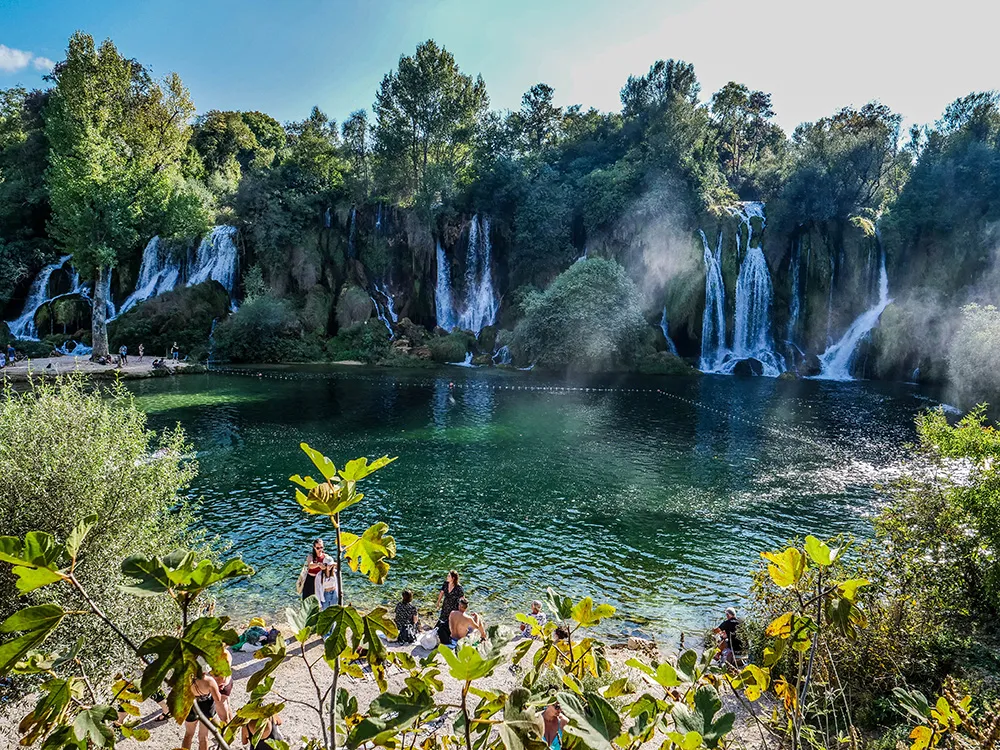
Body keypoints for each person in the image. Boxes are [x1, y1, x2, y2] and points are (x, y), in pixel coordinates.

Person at [181, 670, 228, 750]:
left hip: (190, 705)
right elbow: (218, 698)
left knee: (188, 734)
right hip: (206, 707)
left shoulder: (186, 678)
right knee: (203, 737)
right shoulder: (209, 681)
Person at [435, 570, 465, 644]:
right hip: (445, 606)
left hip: (453, 608)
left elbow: (462, 599)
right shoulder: (445, 584)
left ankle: (450, 635)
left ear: (453, 578)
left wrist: (462, 611)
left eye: (449, 576)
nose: (447, 577)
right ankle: (441, 634)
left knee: (451, 622)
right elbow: (441, 593)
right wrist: (438, 602)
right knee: (442, 620)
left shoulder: (459, 587)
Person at [213, 647, 234, 720]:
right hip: (227, 683)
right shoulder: (226, 652)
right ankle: (232, 729)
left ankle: (227, 730)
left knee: (223, 717)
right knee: (227, 707)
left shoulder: (219, 656)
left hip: (221, 687)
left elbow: (222, 678)